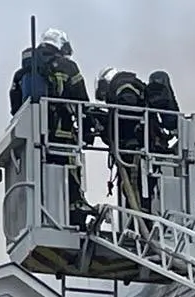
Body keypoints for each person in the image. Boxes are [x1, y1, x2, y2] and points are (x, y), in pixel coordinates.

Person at [8, 28, 93, 229]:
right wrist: (88, 129)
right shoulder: (68, 66)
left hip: (33, 138)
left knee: (39, 178)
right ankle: (75, 211)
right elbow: (82, 101)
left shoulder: (22, 73)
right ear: (60, 45)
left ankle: (42, 214)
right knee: (69, 173)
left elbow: (15, 109)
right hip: (62, 134)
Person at [94, 67, 151, 212]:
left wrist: (109, 124)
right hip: (134, 146)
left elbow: (127, 112)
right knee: (130, 188)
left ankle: (142, 218)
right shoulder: (124, 86)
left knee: (135, 187)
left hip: (134, 146)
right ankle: (138, 218)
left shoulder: (123, 86)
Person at [144, 70, 179, 154]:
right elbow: (170, 121)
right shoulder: (163, 94)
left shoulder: (146, 94)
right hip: (154, 137)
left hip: (150, 134)